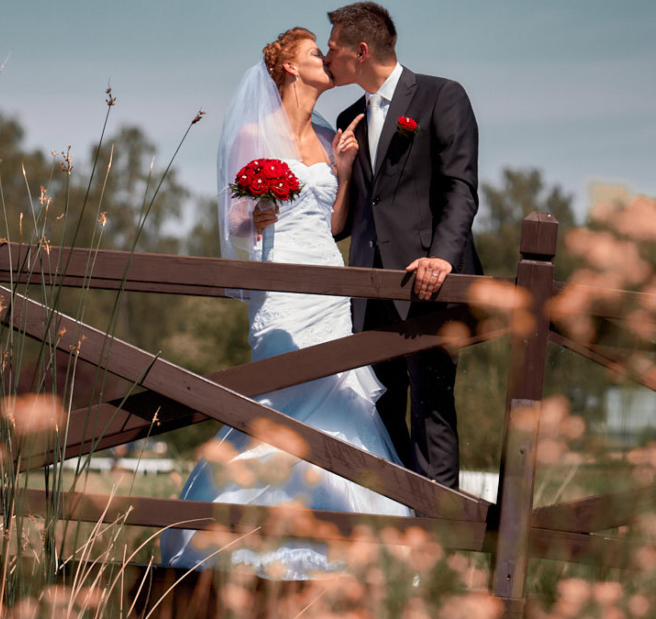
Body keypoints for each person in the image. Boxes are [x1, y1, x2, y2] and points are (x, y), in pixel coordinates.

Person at [159, 27, 412, 580]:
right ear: (292, 69)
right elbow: (234, 221)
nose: (327, 60)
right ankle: (254, 546)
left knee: (339, 395)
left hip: (326, 276)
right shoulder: (255, 132)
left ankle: (352, 550)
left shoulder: (326, 135)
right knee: (281, 397)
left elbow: (336, 223)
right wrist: (259, 216)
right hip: (281, 283)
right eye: (316, 54)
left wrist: (343, 173)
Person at [324, 2, 482, 490]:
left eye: (334, 50)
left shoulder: (441, 96)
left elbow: (461, 187)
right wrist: (342, 174)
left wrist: (443, 258)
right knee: (379, 412)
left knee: (432, 409)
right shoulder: (348, 116)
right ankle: (392, 536)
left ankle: (437, 542)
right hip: (370, 290)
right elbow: (351, 220)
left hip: (428, 283)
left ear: (362, 51)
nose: (328, 60)